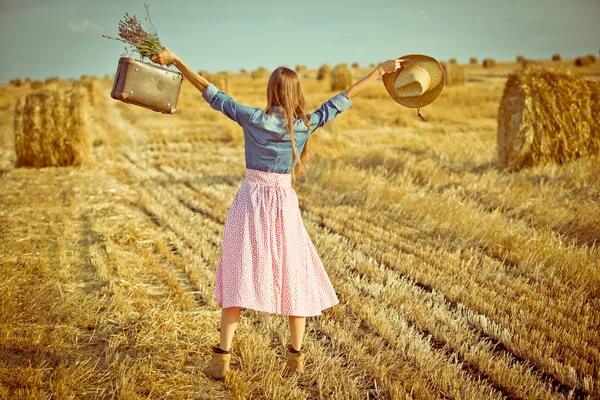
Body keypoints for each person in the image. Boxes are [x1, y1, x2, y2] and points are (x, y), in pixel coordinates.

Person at [151, 48, 407, 379]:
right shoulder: (306, 125)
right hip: (283, 203)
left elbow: (210, 91)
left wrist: (176, 61)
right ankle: (295, 358)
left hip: (251, 202)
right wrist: (379, 72)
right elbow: (342, 99)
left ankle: (221, 360)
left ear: (271, 91)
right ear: (297, 93)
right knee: (293, 275)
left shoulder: (252, 118)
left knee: (238, 273)